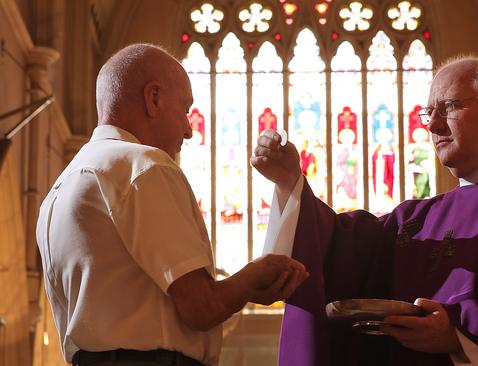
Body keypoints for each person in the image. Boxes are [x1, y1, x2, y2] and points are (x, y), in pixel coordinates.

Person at [252, 55, 478, 365]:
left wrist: (459, 332)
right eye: (426, 113)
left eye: (448, 107)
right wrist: (290, 182)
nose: (431, 125)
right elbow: (339, 251)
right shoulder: (415, 220)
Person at [36, 44, 308, 366]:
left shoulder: (59, 188)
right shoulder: (143, 165)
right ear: (153, 99)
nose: (189, 130)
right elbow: (201, 308)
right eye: (185, 110)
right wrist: (254, 276)